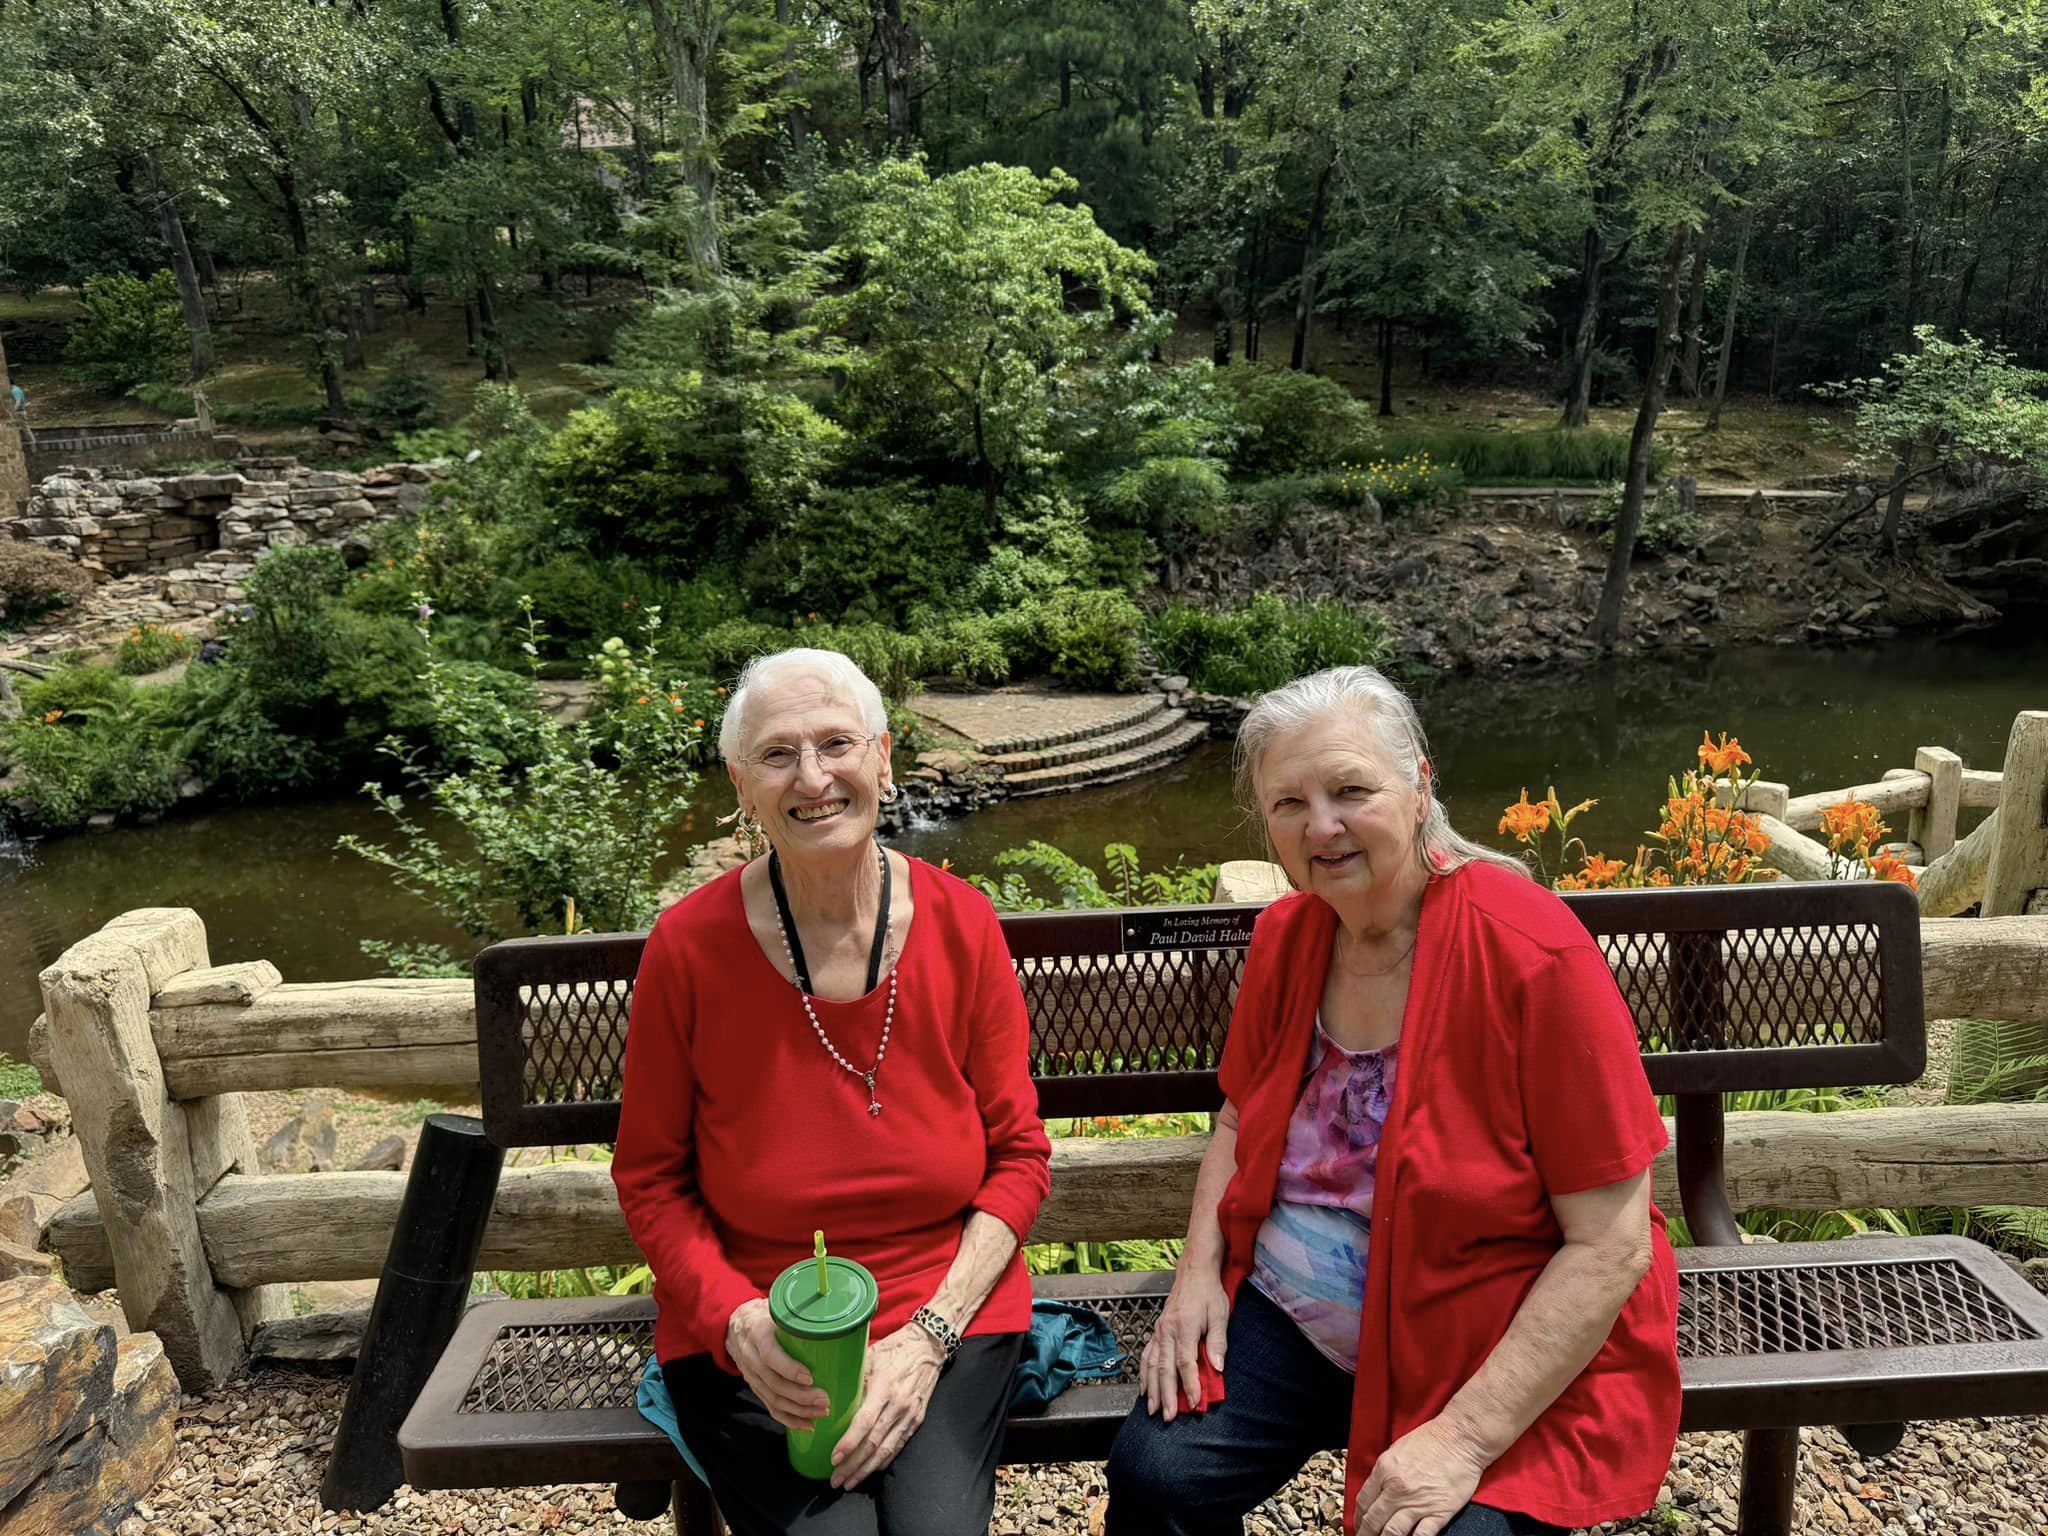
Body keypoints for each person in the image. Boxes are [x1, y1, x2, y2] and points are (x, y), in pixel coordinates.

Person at [1106, 665, 1679, 1536]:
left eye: (1349, 790)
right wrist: (1195, 1279)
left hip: (1483, 1323)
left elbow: (1610, 1244)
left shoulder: (1531, 952)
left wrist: (1462, 1438)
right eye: (1289, 803)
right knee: (1158, 1474)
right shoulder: (1287, 935)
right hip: (1301, 1308)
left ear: (1420, 789)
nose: (1321, 826)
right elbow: (1237, 1118)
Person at [613, 647, 1051, 1536]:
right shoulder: (688, 950)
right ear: (743, 784)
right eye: (778, 755)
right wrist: (733, 1319)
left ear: (883, 759)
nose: (812, 777)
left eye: (836, 744)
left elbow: (1019, 1159)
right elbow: (651, 1178)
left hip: (944, 1307)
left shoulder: (961, 924)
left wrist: (929, 1338)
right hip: (758, 1326)